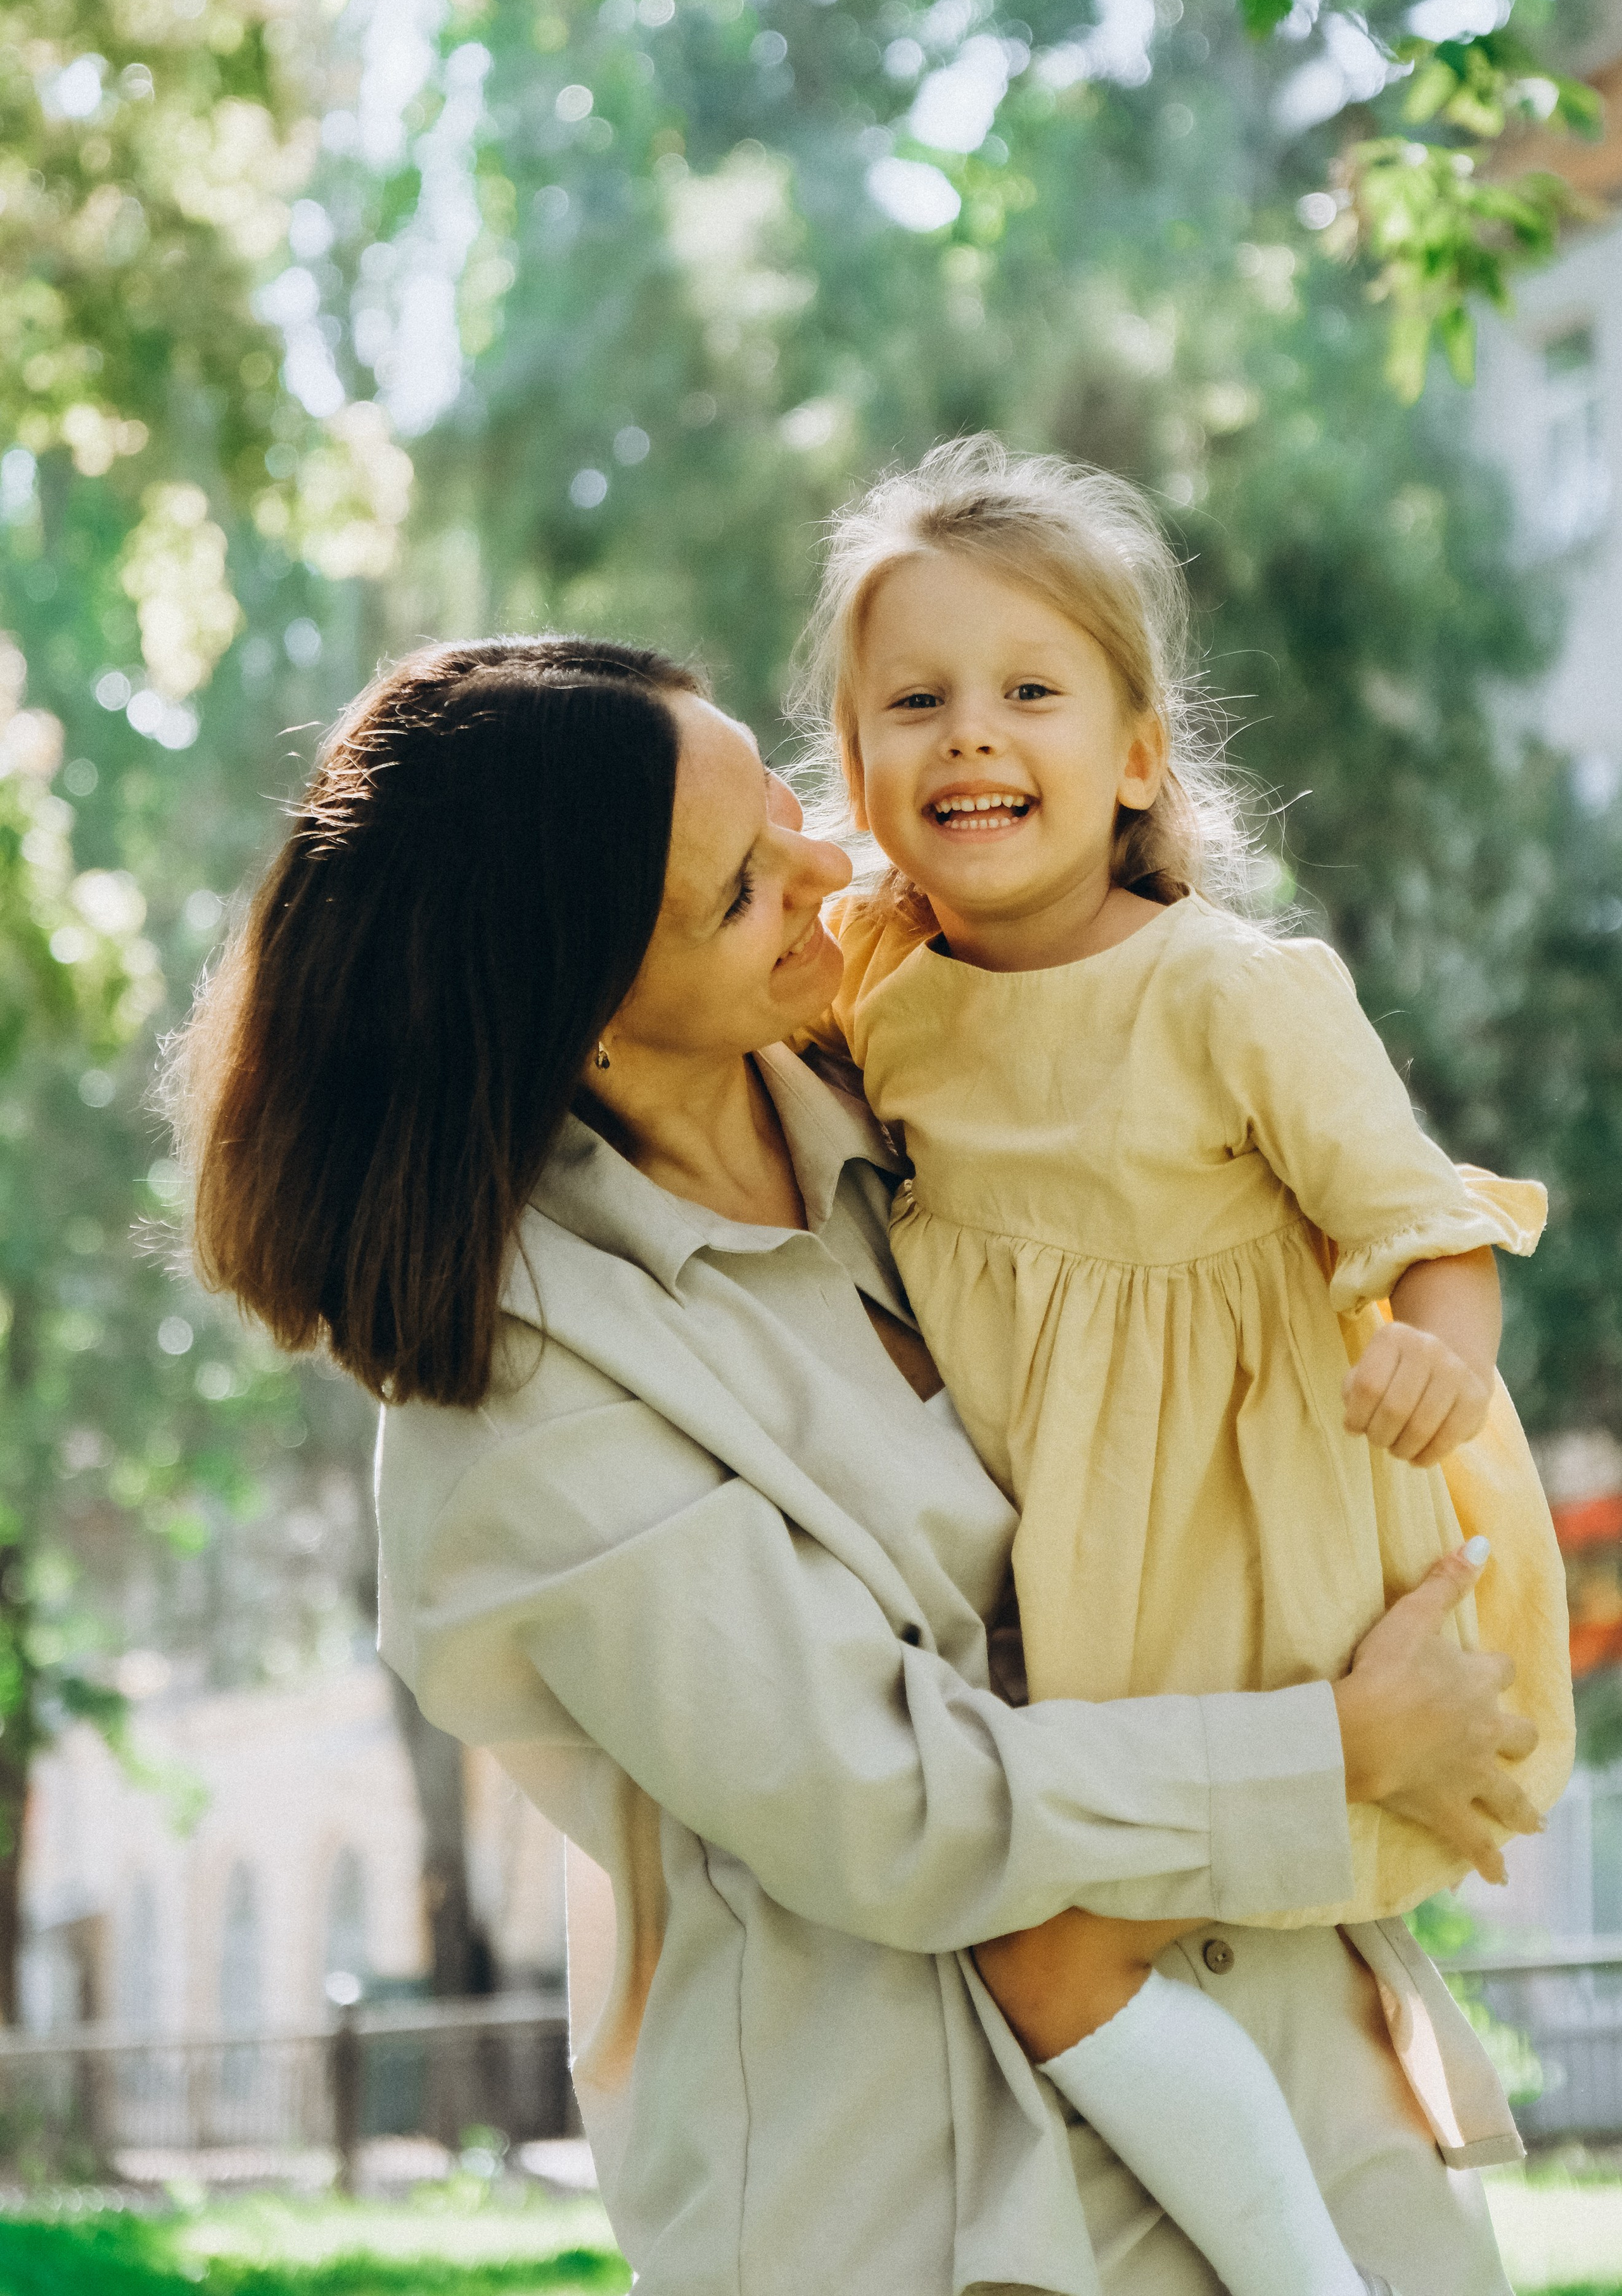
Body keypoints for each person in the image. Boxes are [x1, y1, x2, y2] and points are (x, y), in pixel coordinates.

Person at [170, 634, 1544, 2296]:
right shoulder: (524, 1392)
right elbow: (893, 1809)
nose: (827, 866)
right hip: (933, 2195)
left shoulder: (921, 1075)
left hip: (1289, 2059)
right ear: (586, 1009)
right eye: (743, 891)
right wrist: (1341, 1744)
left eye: (780, 802)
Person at [794, 435, 1574, 2296]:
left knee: (1063, 1938)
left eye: (1030, 693)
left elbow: (1425, 1221)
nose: (972, 736)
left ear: (1139, 756)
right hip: (1076, 1559)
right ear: (858, 767)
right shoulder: (880, 1003)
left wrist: (1440, 1358)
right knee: (1049, 1934)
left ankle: (1306, 2269)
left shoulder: (1230, 987)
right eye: (917, 702)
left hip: (1243, 1545)